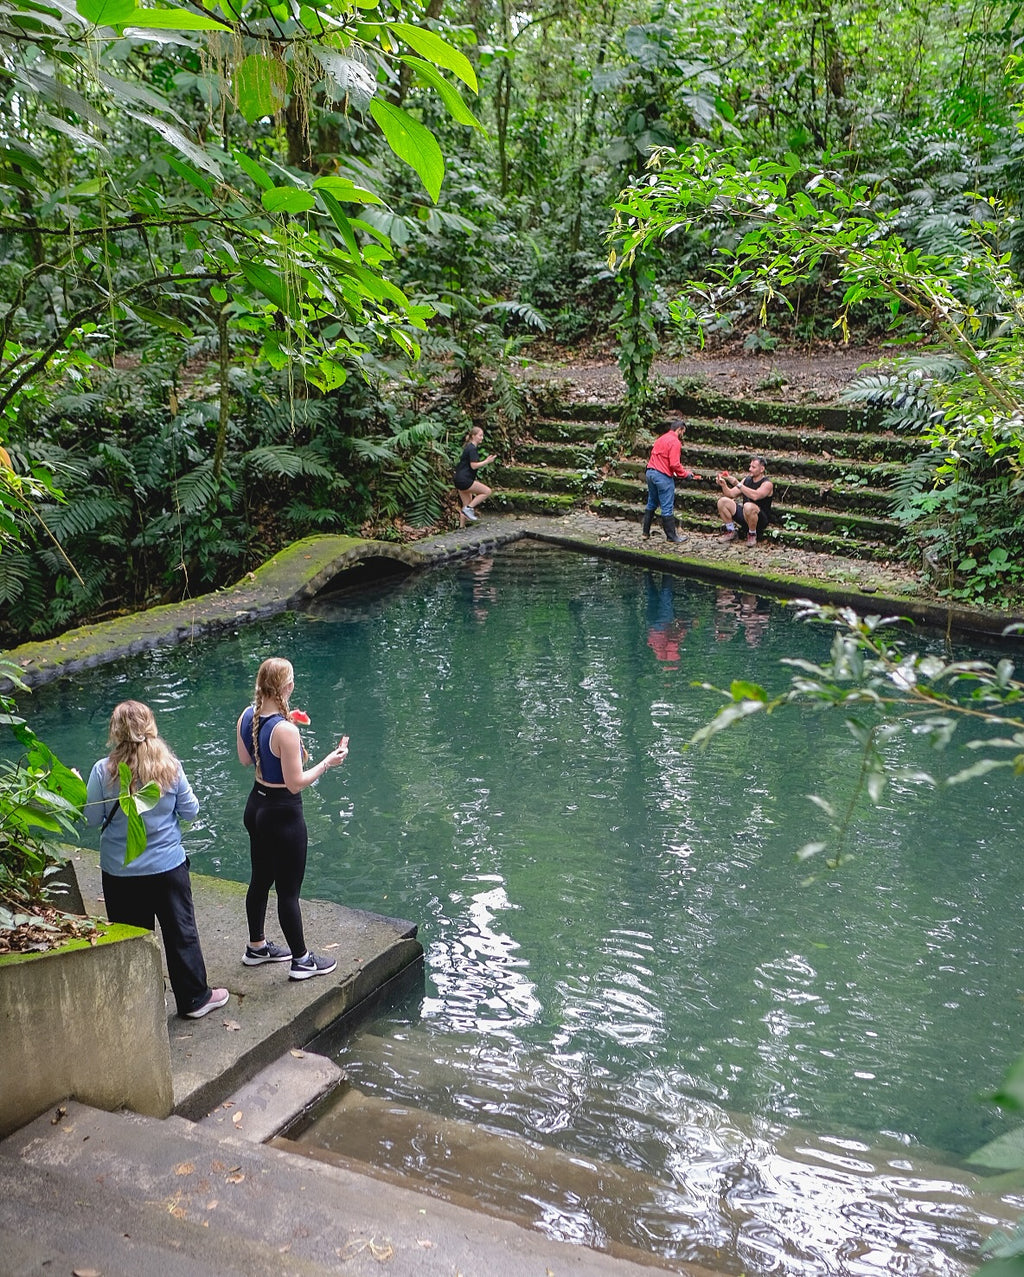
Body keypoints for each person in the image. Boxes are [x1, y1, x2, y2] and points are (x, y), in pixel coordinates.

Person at [85, 701, 228, 1020]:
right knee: (181, 933)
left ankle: (142, 1001)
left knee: (133, 939)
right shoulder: (170, 767)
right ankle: (194, 999)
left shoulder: (102, 770)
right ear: (150, 726)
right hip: (167, 869)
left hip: (120, 873)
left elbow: (92, 819)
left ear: (116, 731)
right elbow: (191, 811)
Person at [236, 657, 349, 980]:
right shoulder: (284, 730)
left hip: (255, 807)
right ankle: (301, 960)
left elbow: (246, 759)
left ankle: (256, 947)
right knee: (289, 892)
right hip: (282, 815)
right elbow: (295, 782)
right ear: (287, 687)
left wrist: (287, 732)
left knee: (260, 879)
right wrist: (328, 761)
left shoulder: (248, 715)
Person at [642, 413, 698, 544]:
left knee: (652, 502)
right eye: (683, 432)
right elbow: (674, 464)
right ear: (680, 430)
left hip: (650, 473)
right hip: (662, 476)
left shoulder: (661, 438)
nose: (683, 435)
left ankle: (645, 532)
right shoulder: (675, 442)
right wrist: (685, 474)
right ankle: (672, 536)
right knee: (667, 506)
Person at [716, 456, 774, 547]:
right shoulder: (746, 480)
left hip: (760, 518)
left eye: (753, 467)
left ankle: (752, 534)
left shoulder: (767, 484)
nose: (750, 469)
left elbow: (755, 496)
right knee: (722, 501)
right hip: (745, 515)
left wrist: (737, 484)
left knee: (748, 506)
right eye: (750, 466)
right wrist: (723, 485)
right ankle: (730, 531)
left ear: (762, 469)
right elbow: (731, 494)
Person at [454, 425, 496, 526]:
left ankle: (461, 527)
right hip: (464, 480)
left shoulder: (468, 447)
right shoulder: (472, 449)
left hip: (458, 479)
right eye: (480, 435)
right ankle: (469, 509)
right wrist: (487, 461)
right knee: (487, 491)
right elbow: (473, 466)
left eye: (482, 436)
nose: (482, 437)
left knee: (466, 503)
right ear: (473, 436)